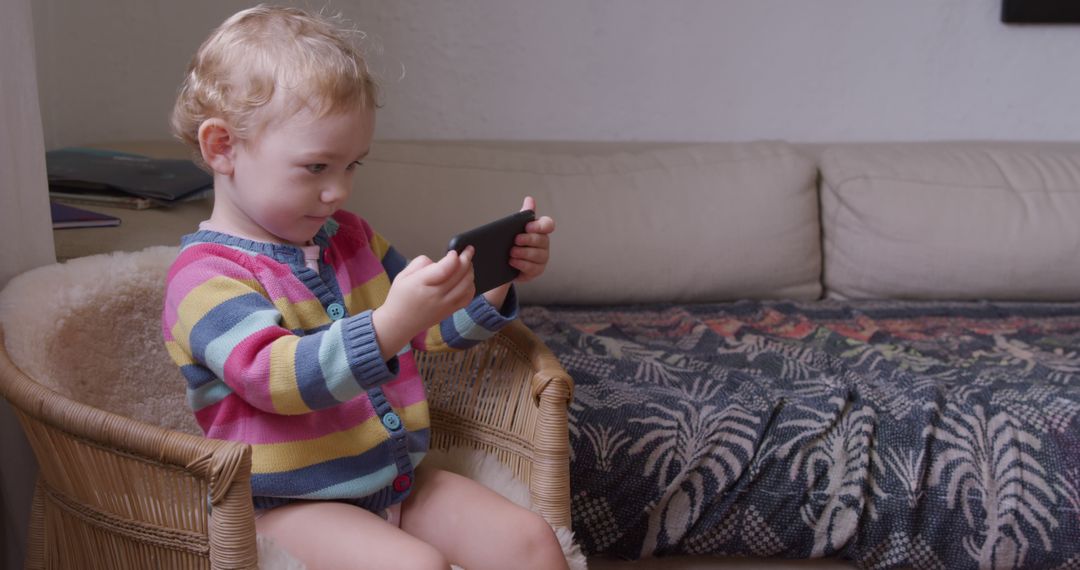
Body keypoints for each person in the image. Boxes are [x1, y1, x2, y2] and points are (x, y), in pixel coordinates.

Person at [161, 5, 564, 569]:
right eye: (317, 167)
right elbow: (278, 379)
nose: (339, 192)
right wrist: (391, 322)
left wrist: (493, 284)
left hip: (391, 480)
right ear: (222, 147)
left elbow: (431, 330)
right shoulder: (203, 277)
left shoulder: (348, 238)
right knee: (416, 565)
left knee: (530, 541)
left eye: (353, 166)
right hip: (287, 503)